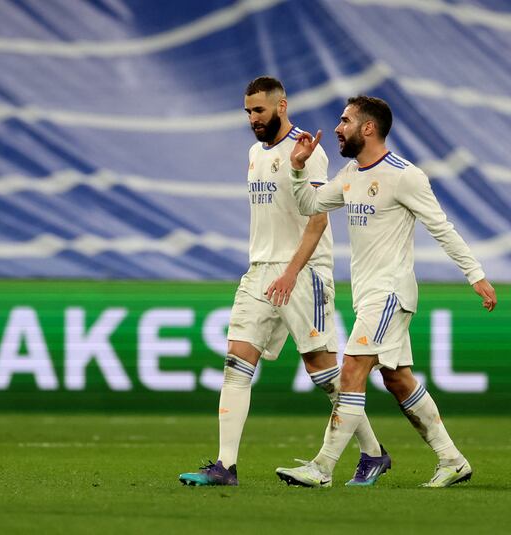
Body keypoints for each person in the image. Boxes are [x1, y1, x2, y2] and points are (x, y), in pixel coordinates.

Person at [276, 95, 497, 488]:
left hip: (390, 293)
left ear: (368, 128)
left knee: (352, 369)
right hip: (368, 294)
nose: (338, 128)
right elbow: (310, 203)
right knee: (397, 379)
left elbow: (441, 227)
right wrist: (297, 168)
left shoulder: (404, 175)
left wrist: (475, 275)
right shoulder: (349, 174)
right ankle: (452, 459)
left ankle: (322, 467)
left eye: (345, 121)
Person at [179, 77, 386, 487]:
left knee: (325, 374)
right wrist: (271, 270)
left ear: (281, 106)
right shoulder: (255, 153)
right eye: (248, 112)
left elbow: (318, 217)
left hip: (303, 272)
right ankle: (225, 466)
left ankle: (374, 453)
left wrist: (291, 273)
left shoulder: (307, 150)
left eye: (259, 111)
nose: (253, 119)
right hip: (260, 270)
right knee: (236, 363)